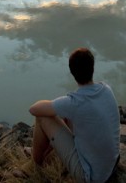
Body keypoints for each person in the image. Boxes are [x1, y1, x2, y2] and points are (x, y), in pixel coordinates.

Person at [29, 47, 120, 183]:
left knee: (43, 118)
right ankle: (48, 153)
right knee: (66, 115)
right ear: (92, 68)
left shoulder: (75, 102)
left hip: (91, 177)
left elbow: (34, 109)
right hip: (112, 164)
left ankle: (35, 165)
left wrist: (54, 104)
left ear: (72, 72)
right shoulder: (106, 89)